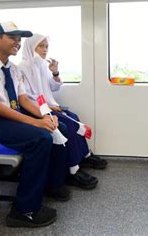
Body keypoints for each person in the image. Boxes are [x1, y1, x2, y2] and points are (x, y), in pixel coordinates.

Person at [0, 22, 69, 228]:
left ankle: (50, 185)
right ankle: (23, 210)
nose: (18, 43)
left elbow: (23, 100)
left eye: (19, 39)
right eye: (12, 37)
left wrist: (46, 116)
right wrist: (36, 123)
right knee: (40, 138)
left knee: (60, 128)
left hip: (7, 117)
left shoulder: (12, 69)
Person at [19, 34, 107, 187]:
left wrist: (55, 72)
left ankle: (83, 156)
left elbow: (53, 87)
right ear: (31, 47)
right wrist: (46, 107)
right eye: (41, 46)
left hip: (46, 105)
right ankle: (72, 169)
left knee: (74, 116)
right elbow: (27, 96)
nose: (45, 49)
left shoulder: (41, 66)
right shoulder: (23, 67)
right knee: (67, 125)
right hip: (35, 109)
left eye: (46, 46)